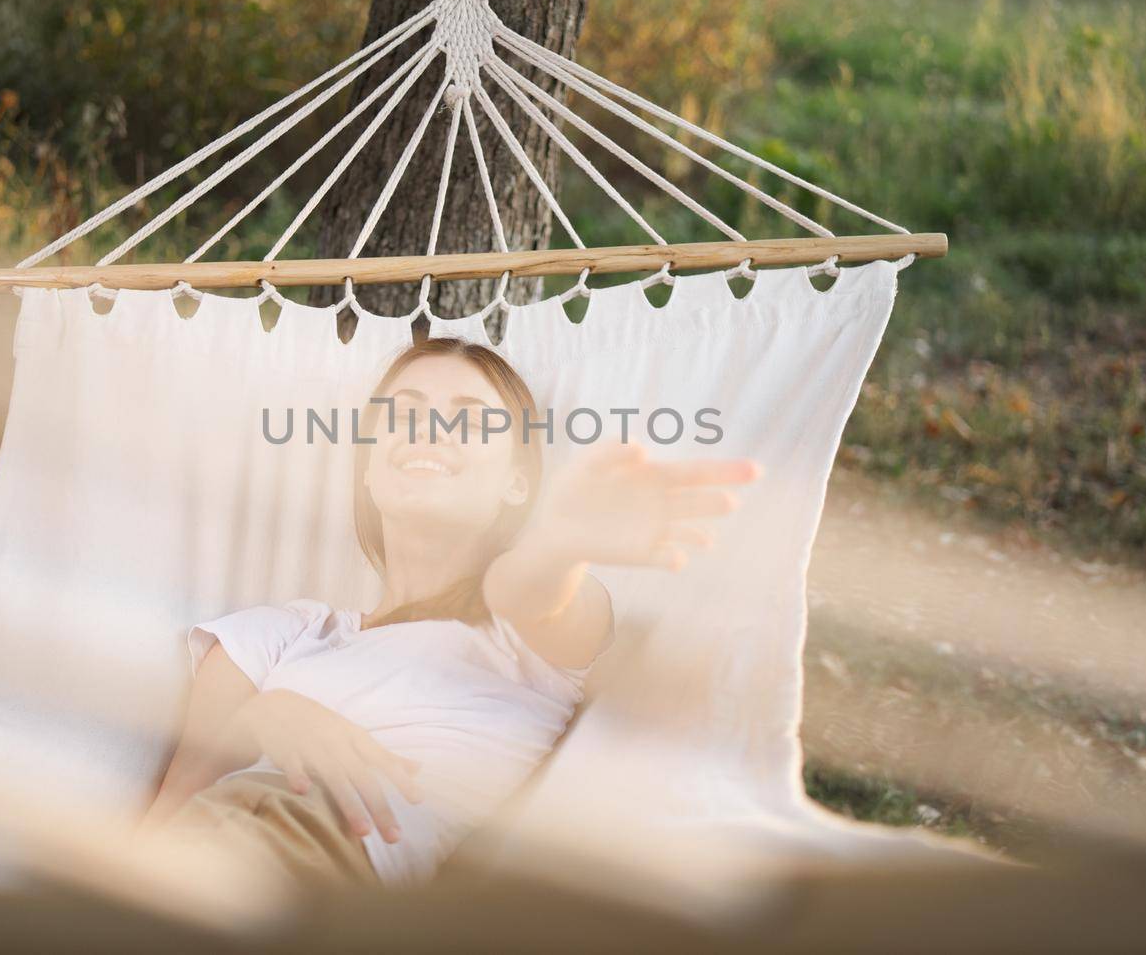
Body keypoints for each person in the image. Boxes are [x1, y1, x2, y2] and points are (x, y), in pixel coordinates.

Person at [142, 336, 759, 888]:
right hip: (198, 855)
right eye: (402, 413)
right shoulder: (278, 633)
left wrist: (564, 539)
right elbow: (156, 826)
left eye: (467, 420)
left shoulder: (533, 631)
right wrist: (262, 718)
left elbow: (531, 590)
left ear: (516, 483)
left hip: (328, 871)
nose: (427, 430)